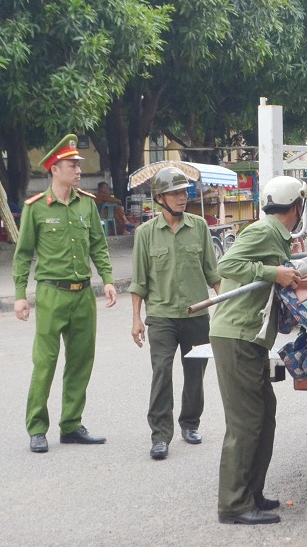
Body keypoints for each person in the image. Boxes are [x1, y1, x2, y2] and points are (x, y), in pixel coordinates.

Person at [209, 175, 307, 526]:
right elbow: (225, 265)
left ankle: (252, 493)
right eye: (301, 206)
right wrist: (273, 272)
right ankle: (234, 505)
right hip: (236, 336)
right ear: (294, 206)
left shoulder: (276, 236)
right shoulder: (264, 230)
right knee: (246, 422)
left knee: (264, 414)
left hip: (250, 337)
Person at [12, 134, 118, 454]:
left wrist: (108, 279)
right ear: (54, 169)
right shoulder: (37, 208)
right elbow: (23, 254)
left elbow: (98, 245)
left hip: (83, 294)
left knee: (80, 362)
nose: (78, 170)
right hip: (51, 293)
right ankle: (37, 428)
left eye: (78, 165)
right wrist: (20, 294)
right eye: (72, 165)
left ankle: (71, 424)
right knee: (45, 362)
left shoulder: (86, 202)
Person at [129, 168, 221, 461]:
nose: (183, 198)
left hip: (196, 313)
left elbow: (213, 272)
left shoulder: (200, 227)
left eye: (185, 192)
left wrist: (228, 303)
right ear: (160, 199)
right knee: (161, 370)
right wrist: (135, 319)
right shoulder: (145, 234)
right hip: (161, 316)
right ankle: (160, 435)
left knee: (196, 373)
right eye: (176, 193)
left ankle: (190, 423)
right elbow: (139, 282)